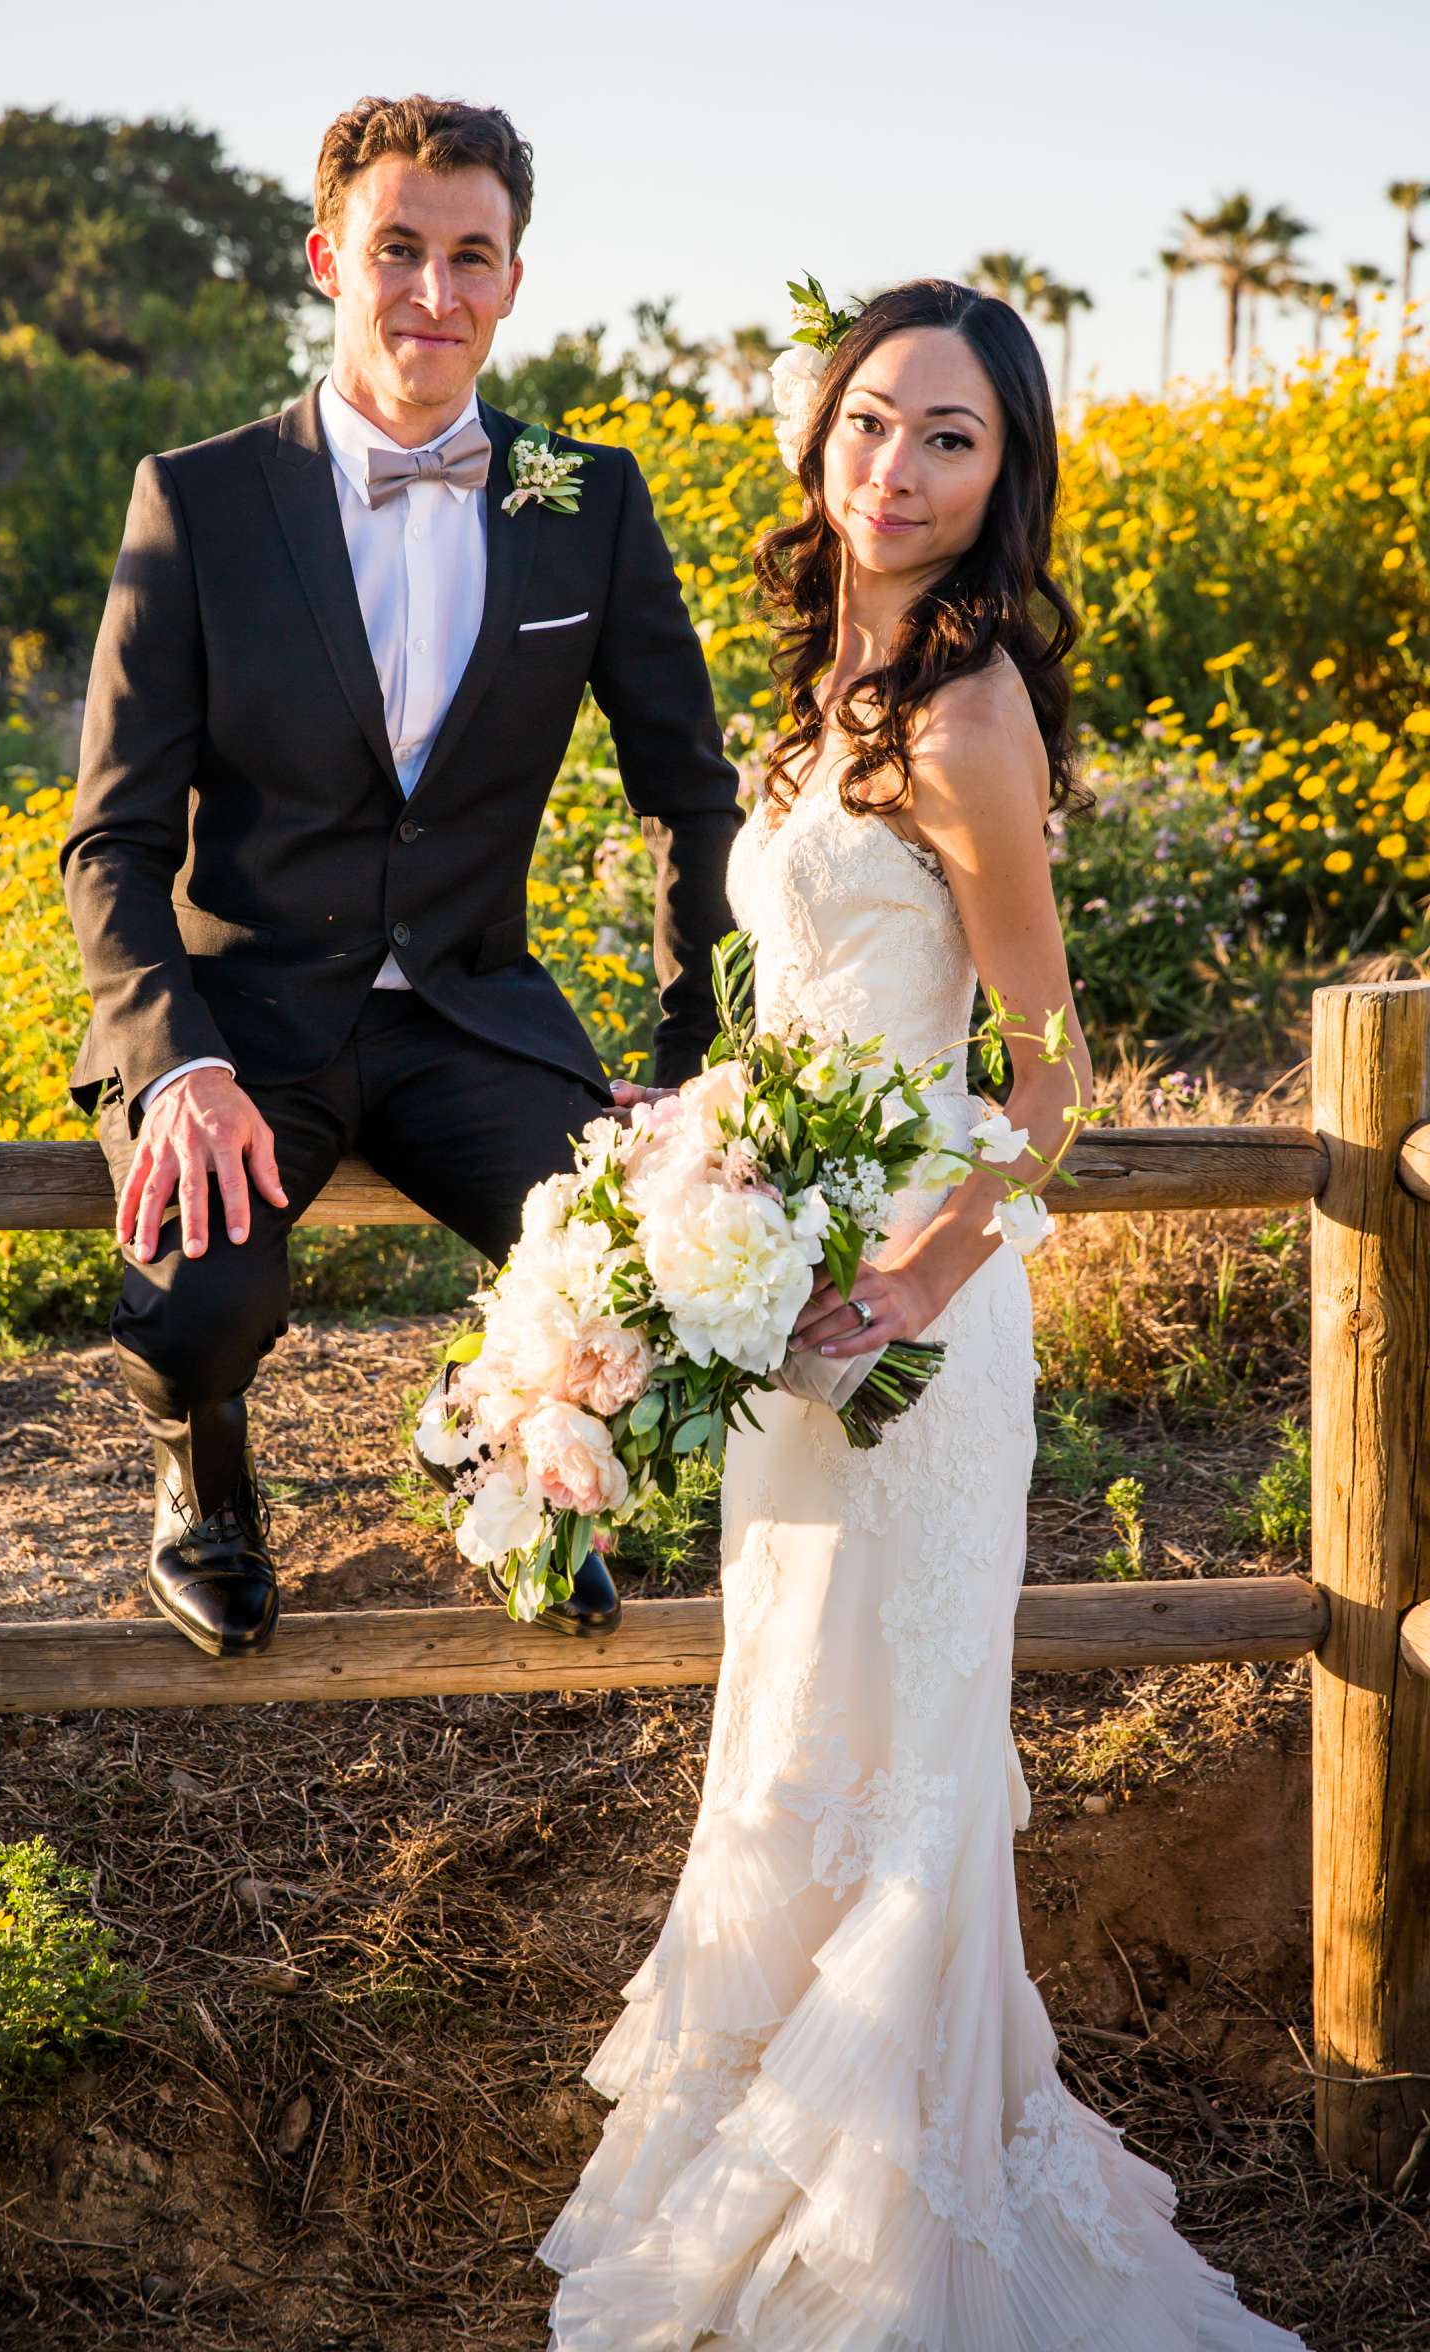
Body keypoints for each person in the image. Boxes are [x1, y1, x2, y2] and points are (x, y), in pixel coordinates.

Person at [539, 280, 1305, 2349]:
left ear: (1000, 474)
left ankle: (898, 2245)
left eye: (946, 436)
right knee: (790, 1730)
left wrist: (908, 1279)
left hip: (906, 1326)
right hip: (773, 1304)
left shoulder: (969, 714)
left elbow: (1046, 1077)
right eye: (869, 421)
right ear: (819, 438)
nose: (894, 467)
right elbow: (800, 1017)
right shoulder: (811, 698)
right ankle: (767, 2185)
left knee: (904, 1764)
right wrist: (687, 1168)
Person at [60, 94, 741, 1659]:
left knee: (656, 1271)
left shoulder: (588, 501)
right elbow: (113, 838)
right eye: (399, 251)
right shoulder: (200, 499)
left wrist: (688, 1060)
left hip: (465, 1009)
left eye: (470, 257)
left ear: (513, 279)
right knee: (198, 1303)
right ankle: (205, 1487)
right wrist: (176, 1064)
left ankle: (510, 1464)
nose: (434, 293)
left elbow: (688, 797)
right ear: (327, 260)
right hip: (243, 1015)